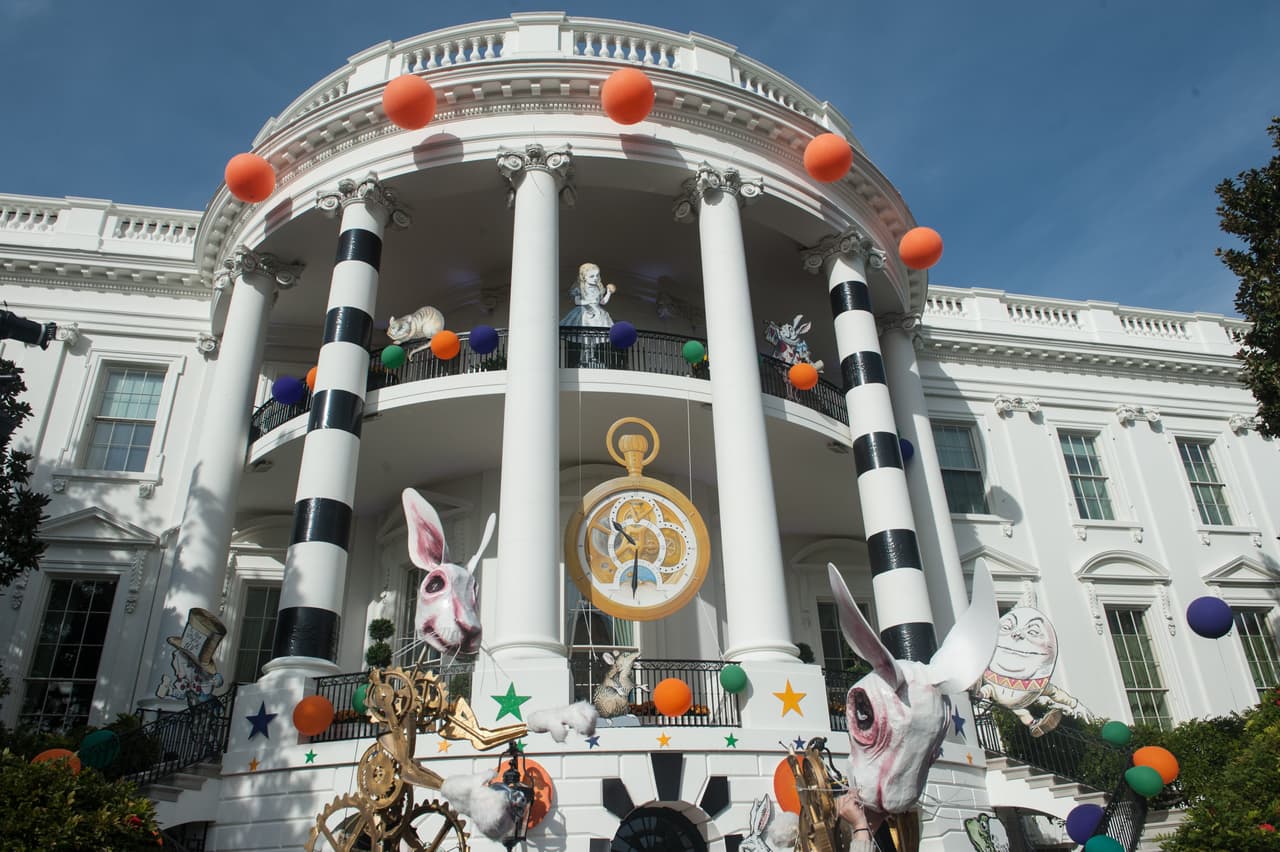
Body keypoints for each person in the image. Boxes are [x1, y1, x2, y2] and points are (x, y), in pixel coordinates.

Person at [560, 262, 616, 327]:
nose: (595, 278)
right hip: (584, 311)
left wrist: (608, 293)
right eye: (592, 276)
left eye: (597, 275)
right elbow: (577, 302)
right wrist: (590, 301)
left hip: (598, 313)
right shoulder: (579, 288)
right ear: (584, 277)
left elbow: (602, 302)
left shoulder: (598, 288)